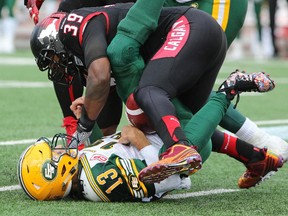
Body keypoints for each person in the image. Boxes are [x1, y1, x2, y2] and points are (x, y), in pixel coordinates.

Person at [17, 70, 281, 201]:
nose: (59, 149)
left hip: (163, 139)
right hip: (182, 152)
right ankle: (229, 90)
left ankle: (256, 157)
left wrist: (87, 114)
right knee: (149, 97)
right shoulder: (99, 182)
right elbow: (165, 177)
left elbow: (102, 147)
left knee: (158, 98)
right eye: (55, 155)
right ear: (57, 174)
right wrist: (137, 138)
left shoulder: (82, 173)